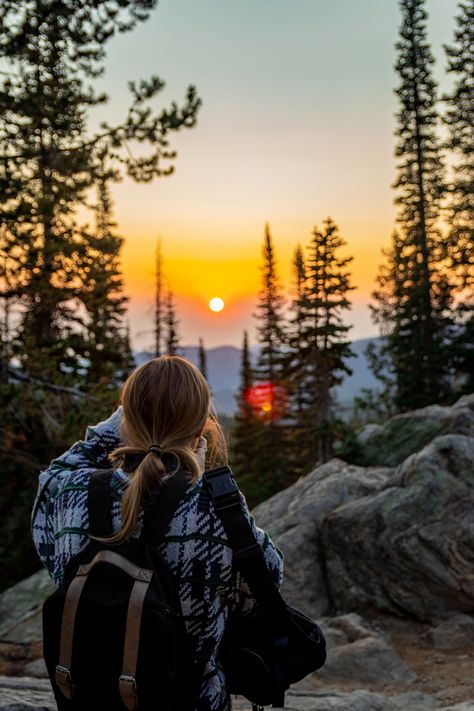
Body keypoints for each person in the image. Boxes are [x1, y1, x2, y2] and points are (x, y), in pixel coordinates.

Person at [32, 355, 283, 711]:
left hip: (91, 701)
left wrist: (123, 421)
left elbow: (55, 474)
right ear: (200, 429)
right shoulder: (219, 507)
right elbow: (268, 583)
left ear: (126, 421)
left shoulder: (69, 492)